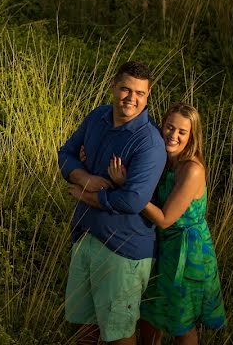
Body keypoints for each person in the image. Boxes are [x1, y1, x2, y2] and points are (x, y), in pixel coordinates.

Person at [58, 61, 166, 344]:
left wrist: (89, 197)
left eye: (140, 93)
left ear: (148, 94)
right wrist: (83, 176)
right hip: (86, 236)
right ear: (113, 87)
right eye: (125, 89)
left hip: (123, 250)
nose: (131, 98)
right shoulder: (98, 117)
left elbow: (133, 200)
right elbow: (66, 153)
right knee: (85, 327)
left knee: (119, 335)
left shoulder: (149, 143)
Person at [108, 102, 226, 344]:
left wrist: (129, 187)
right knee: (150, 312)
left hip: (186, 251)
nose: (173, 136)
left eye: (182, 132)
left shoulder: (192, 169)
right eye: (169, 128)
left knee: (181, 321)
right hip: (160, 246)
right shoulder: (163, 159)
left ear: (192, 136)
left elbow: (164, 219)